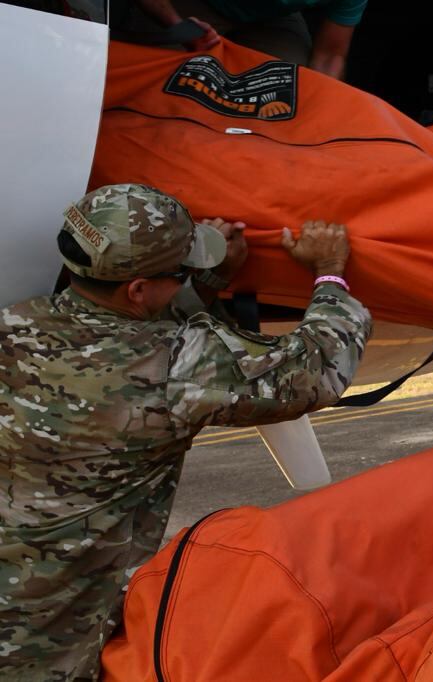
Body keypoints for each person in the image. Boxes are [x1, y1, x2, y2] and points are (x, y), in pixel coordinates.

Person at [0, 184, 372, 679]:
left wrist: (207, 277)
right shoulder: (179, 365)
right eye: (178, 273)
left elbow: (119, 336)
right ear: (136, 289)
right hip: (45, 644)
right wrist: (330, 274)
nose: (182, 282)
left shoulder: (15, 323)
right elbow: (318, 368)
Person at [130, 0, 367, 79]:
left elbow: (330, 55)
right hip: (197, 4)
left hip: (270, 17)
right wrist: (176, 24)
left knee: (290, 86)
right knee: (158, 71)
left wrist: (323, 109)